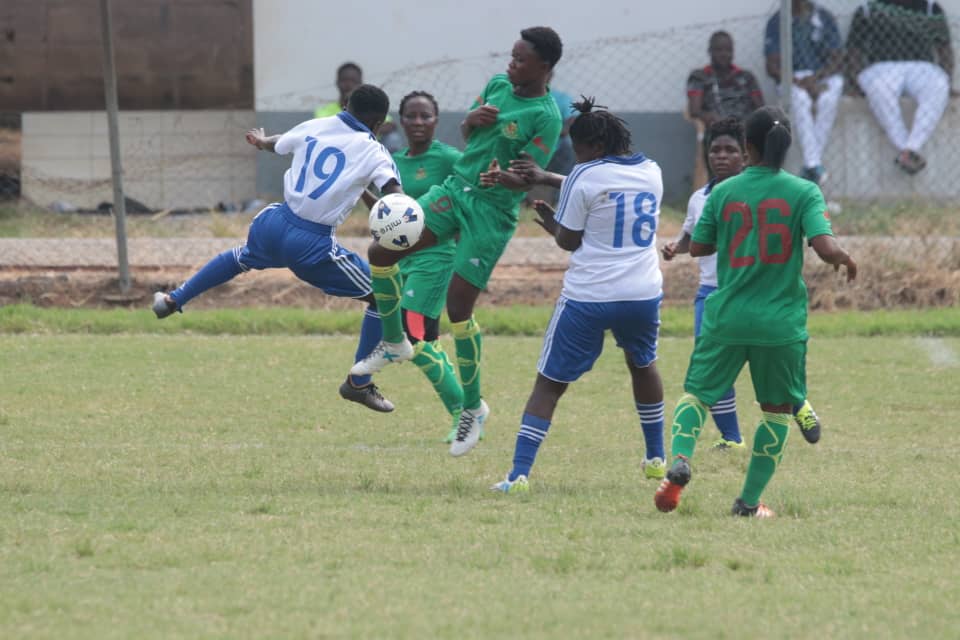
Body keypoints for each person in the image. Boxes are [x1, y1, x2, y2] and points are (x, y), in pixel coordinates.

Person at [349, 26, 564, 458]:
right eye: (511, 55)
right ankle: (394, 342)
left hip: (492, 210)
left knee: (459, 311)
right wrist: (470, 121)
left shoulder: (546, 114)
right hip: (455, 189)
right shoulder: (498, 85)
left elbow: (530, 173)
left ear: (544, 66)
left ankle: (471, 408)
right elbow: (471, 137)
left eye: (520, 60)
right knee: (381, 249)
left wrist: (506, 178)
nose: (510, 64)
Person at [654, 106, 857, 519]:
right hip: (779, 323)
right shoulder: (804, 192)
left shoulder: (723, 192)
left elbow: (701, 247)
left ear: (748, 147)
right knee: (777, 411)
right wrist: (845, 259)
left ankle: (681, 460)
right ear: (785, 147)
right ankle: (748, 502)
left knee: (698, 394)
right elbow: (824, 247)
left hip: (726, 315)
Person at [151, 85, 402, 414]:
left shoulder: (315, 125)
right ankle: (359, 383)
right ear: (380, 124)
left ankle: (172, 300)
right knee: (383, 296)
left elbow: (275, 144)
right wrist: (403, 213)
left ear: (344, 105)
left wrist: (260, 140)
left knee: (240, 257)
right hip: (312, 242)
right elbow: (395, 194)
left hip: (275, 221)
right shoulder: (375, 151)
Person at [486, 98, 667, 493]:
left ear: (593, 148)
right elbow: (604, 187)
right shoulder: (652, 171)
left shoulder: (584, 175)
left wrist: (551, 222)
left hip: (590, 295)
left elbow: (570, 240)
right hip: (641, 293)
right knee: (643, 365)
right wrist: (547, 177)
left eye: (578, 148)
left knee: (549, 384)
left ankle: (518, 476)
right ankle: (656, 457)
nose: (575, 156)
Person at [662, 117, 824, 448]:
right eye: (715, 150)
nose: (721, 156)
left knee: (772, 362)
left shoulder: (758, 192)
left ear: (746, 153)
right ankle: (732, 437)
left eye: (730, 150)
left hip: (753, 291)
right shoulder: (700, 198)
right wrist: (675, 247)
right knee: (713, 370)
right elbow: (694, 238)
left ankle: (798, 402)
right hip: (711, 292)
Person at [361, 90, 466, 442]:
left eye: (426, 116)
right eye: (411, 116)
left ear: (436, 120)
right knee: (427, 342)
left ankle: (466, 416)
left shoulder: (451, 159)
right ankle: (465, 411)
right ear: (400, 121)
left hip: (434, 262)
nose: (418, 122)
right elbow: (387, 216)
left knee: (414, 338)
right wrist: (361, 189)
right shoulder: (392, 161)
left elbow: (468, 203)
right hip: (399, 263)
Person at [847, 0, 954, 175]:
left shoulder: (929, 7)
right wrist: (854, 82)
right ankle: (909, 149)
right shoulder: (868, 9)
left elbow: (944, 49)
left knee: (939, 85)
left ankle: (908, 149)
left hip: (921, 66)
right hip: (881, 66)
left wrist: (948, 80)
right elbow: (853, 50)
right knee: (880, 89)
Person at [764, 0, 845, 185]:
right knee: (800, 100)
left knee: (831, 95)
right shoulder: (777, 21)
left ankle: (811, 165)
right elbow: (772, 66)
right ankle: (814, 165)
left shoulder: (824, 17)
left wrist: (816, 79)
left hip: (820, 75)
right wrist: (797, 81)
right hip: (792, 77)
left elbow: (838, 58)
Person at [315, 62, 402, 153]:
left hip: (367, 149)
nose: (348, 85)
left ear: (360, 83)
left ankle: (389, 166)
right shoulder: (323, 111)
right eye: (344, 80)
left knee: (393, 138)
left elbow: (390, 124)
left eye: (353, 81)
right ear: (337, 83)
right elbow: (323, 134)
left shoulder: (369, 106)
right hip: (336, 150)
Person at [687, 31, 765, 130]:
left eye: (728, 50)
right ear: (710, 51)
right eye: (719, 50)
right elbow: (694, 111)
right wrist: (711, 117)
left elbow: (761, 108)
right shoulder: (699, 76)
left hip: (746, 129)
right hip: (718, 131)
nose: (724, 54)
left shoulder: (746, 76)